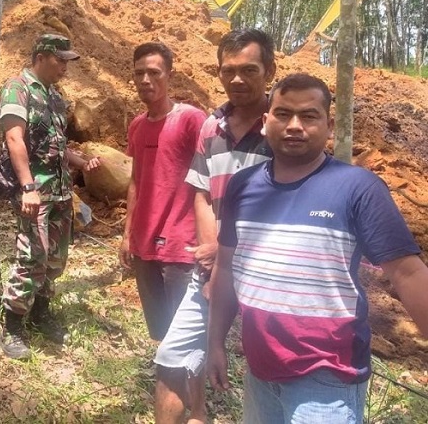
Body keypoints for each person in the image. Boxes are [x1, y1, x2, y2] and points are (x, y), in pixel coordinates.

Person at [208, 73, 428, 423]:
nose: (294, 125)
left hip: (326, 382)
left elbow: (409, 273)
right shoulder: (243, 186)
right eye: (283, 114)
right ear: (266, 123)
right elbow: (225, 267)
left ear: (329, 125)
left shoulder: (357, 188)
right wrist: (215, 341)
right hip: (260, 372)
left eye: (308, 116)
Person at [154, 29, 276, 424]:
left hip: (270, 274)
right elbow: (202, 194)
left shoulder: (284, 127)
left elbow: (290, 208)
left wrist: (228, 255)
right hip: (209, 269)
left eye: (249, 70)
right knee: (171, 359)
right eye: (229, 70)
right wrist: (214, 263)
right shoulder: (212, 127)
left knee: (273, 375)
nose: (237, 79)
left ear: (270, 70)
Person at [0, 33, 101, 359]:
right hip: (35, 193)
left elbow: (56, 147)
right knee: (32, 258)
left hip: (59, 193)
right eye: (61, 60)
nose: (65, 68)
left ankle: (41, 313)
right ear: (42, 56)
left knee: (55, 259)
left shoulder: (56, 97)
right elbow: (15, 140)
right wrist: (28, 187)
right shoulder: (18, 89)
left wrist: (82, 162)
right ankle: (12, 325)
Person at [119, 42, 207, 343]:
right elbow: (136, 180)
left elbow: (212, 178)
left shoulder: (191, 120)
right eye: (139, 73)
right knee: (159, 328)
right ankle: (163, 377)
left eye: (154, 72)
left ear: (169, 75)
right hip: (144, 244)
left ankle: (188, 385)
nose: (146, 80)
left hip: (181, 245)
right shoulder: (137, 126)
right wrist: (127, 234)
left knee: (185, 331)